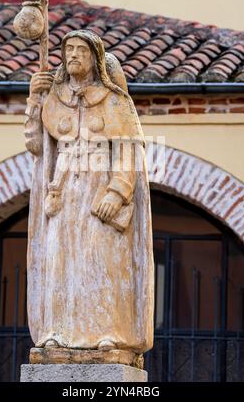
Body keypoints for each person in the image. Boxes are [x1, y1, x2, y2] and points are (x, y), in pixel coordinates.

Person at [24, 29, 154, 362]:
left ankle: (109, 334)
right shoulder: (55, 99)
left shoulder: (113, 100)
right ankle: (57, 332)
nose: (73, 56)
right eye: (69, 50)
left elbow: (128, 149)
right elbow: (38, 146)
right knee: (60, 258)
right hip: (64, 191)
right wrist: (35, 100)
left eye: (81, 50)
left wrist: (119, 191)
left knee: (103, 260)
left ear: (94, 57)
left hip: (101, 188)